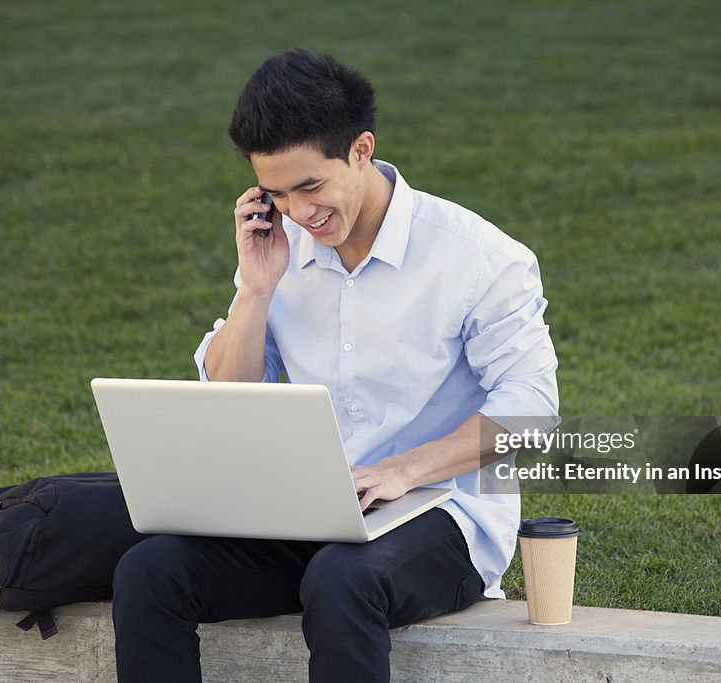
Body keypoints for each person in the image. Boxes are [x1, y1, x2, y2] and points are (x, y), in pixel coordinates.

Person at [111, 48, 559, 682]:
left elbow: (532, 410)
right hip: (309, 507)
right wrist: (255, 287)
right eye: (277, 193)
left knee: (342, 578)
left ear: (361, 149)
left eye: (311, 186)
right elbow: (229, 390)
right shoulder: (280, 247)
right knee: (150, 570)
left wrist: (404, 469)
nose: (297, 211)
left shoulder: (479, 259)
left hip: (440, 514)